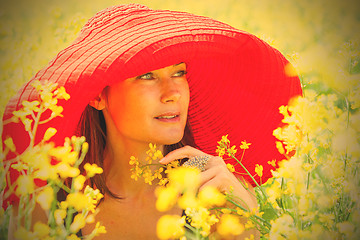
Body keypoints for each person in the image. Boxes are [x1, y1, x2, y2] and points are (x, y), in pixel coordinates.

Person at [2, 3, 302, 239]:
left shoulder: (216, 191)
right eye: (146, 76)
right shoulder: (49, 206)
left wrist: (247, 219)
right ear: (98, 96)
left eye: (179, 72)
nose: (173, 93)